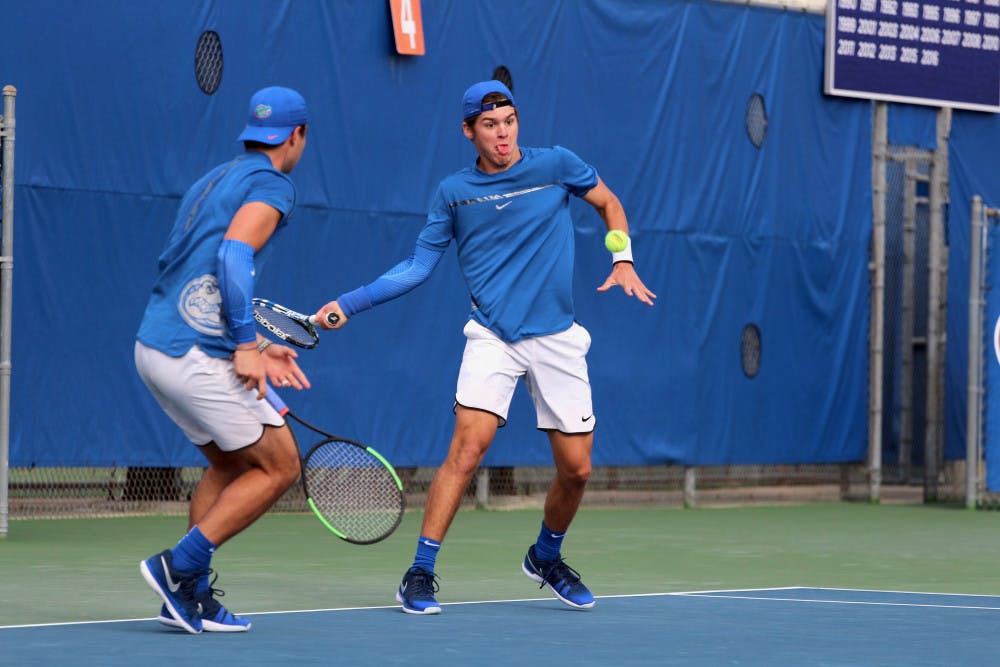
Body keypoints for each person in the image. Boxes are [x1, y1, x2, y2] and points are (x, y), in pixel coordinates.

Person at [315, 80, 655, 614]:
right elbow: (417, 267)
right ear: (468, 131)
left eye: (510, 121)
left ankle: (546, 555)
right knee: (466, 450)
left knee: (578, 470)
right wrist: (349, 303)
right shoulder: (454, 192)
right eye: (490, 125)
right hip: (493, 336)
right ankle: (420, 572)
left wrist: (623, 258)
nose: (503, 134)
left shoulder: (557, 165)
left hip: (557, 336)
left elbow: (609, 203)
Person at [134, 86, 312, 634]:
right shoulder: (273, 185)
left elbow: (191, 275)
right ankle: (178, 566)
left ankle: (188, 596)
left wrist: (254, 341)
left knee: (230, 465)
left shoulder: (213, 179)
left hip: (154, 346)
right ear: (298, 135)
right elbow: (233, 257)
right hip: (193, 355)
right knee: (281, 465)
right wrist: (241, 346)